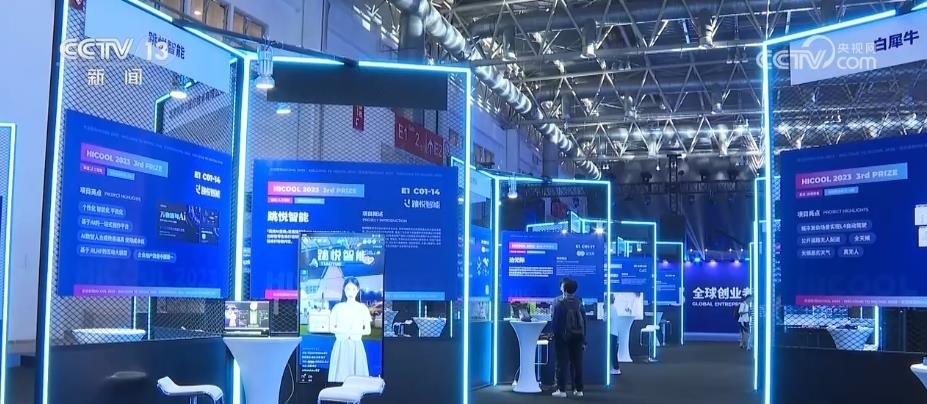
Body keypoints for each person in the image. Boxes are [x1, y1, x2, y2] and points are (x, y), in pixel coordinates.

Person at [328, 277, 372, 382]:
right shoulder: (337, 307)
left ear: (357, 290)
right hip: (341, 345)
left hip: (357, 345)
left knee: (358, 376)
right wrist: (344, 331)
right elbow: (331, 328)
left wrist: (353, 332)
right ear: (344, 290)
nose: (350, 292)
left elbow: (368, 330)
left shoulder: (362, 308)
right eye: (348, 289)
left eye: (353, 289)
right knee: (339, 376)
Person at [551, 277, 586, 397]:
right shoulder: (579, 302)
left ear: (564, 289)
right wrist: (584, 339)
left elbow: (555, 323)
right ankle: (579, 390)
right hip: (578, 337)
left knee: (562, 364)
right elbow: (584, 321)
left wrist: (555, 335)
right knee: (577, 364)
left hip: (563, 338)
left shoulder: (559, 303)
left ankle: (562, 390)